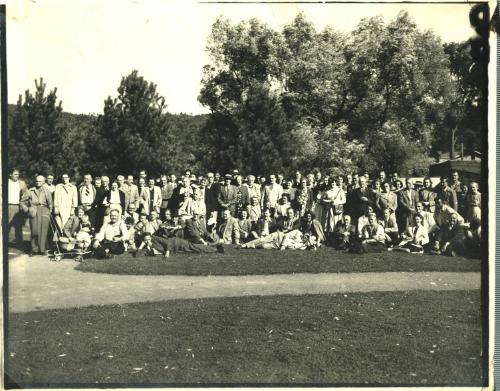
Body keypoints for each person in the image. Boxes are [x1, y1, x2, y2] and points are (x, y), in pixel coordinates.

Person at [20, 175, 54, 256]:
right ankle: (33, 249)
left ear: (43, 182)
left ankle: (42, 250)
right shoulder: (30, 190)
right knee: (35, 231)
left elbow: (50, 203)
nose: (38, 183)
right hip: (34, 210)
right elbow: (22, 202)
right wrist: (27, 209)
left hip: (44, 210)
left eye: (40, 181)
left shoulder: (47, 191)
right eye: (37, 181)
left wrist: (49, 212)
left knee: (44, 231)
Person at [8, 169, 28, 245]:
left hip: (17, 207)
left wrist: (23, 204)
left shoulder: (22, 183)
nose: (17, 176)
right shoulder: (6, 182)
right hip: (8, 206)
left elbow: (26, 194)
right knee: (7, 225)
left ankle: (19, 242)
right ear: (10, 174)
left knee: (18, 225)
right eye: (15, 174)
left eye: (18, 174)